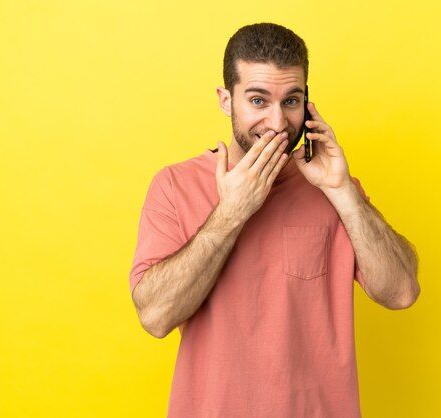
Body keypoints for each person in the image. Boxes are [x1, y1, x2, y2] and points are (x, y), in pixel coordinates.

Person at [129, 22, 420, 417]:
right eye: (258, 101)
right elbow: (155, 316)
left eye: (291, 101)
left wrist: (343, 193)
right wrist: (231, 212)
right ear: (226, 100)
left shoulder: (334, 187)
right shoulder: (174, 186)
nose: (278, 124)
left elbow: (402, 292)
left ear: (307, 103)